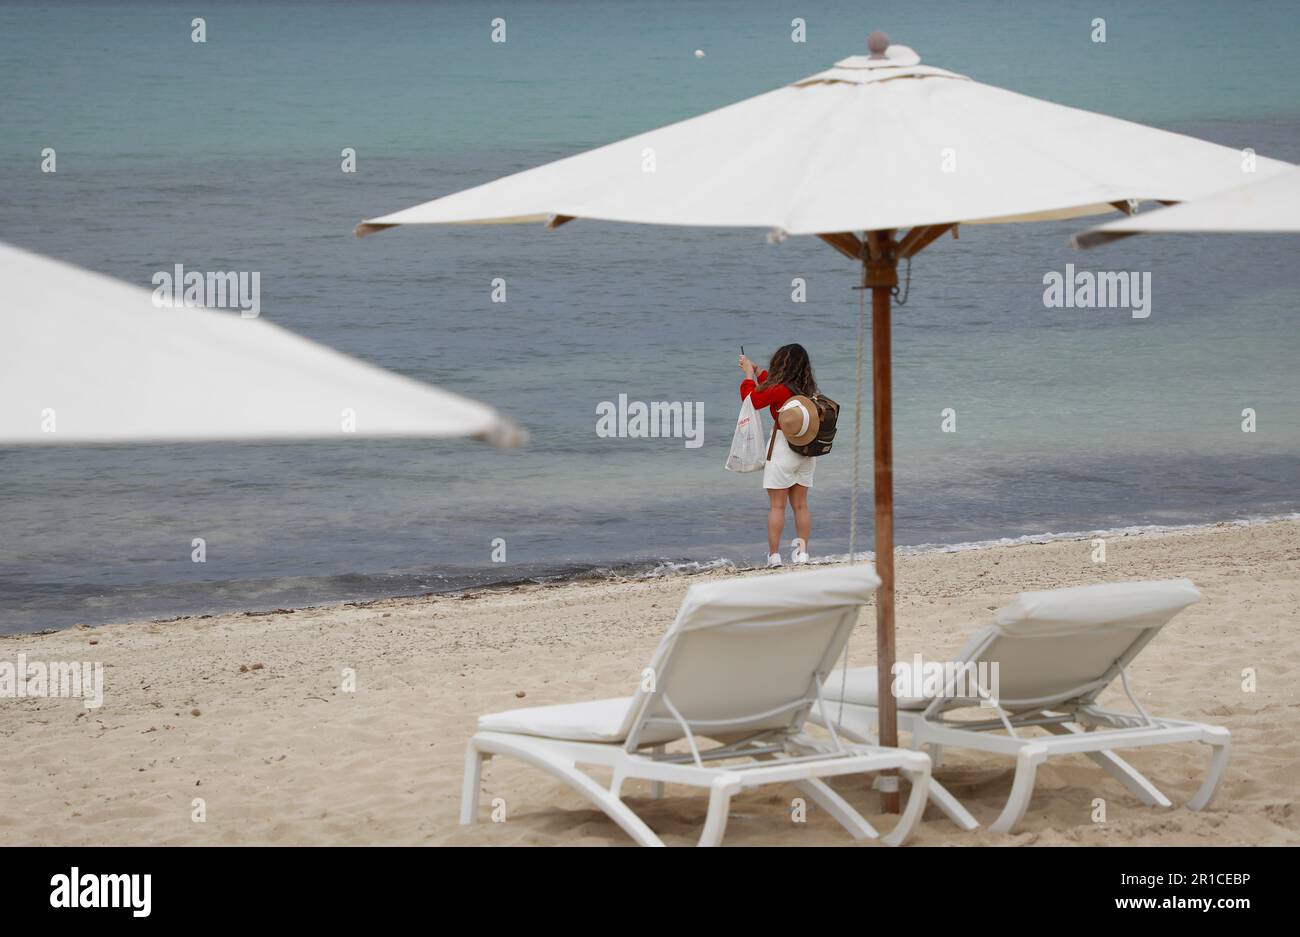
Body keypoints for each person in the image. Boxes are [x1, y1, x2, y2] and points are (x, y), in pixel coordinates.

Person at [739, 344, 818, 567]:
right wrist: (758, 372)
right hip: (806, 450)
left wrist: (747, 376)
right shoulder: (807, 388)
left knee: (777, 506)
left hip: (783, 449)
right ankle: (803, 555)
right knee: (801, 506)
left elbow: (751, 401)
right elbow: (772, 387)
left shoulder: (779, 389)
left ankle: (774, 557)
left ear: (781, 365)